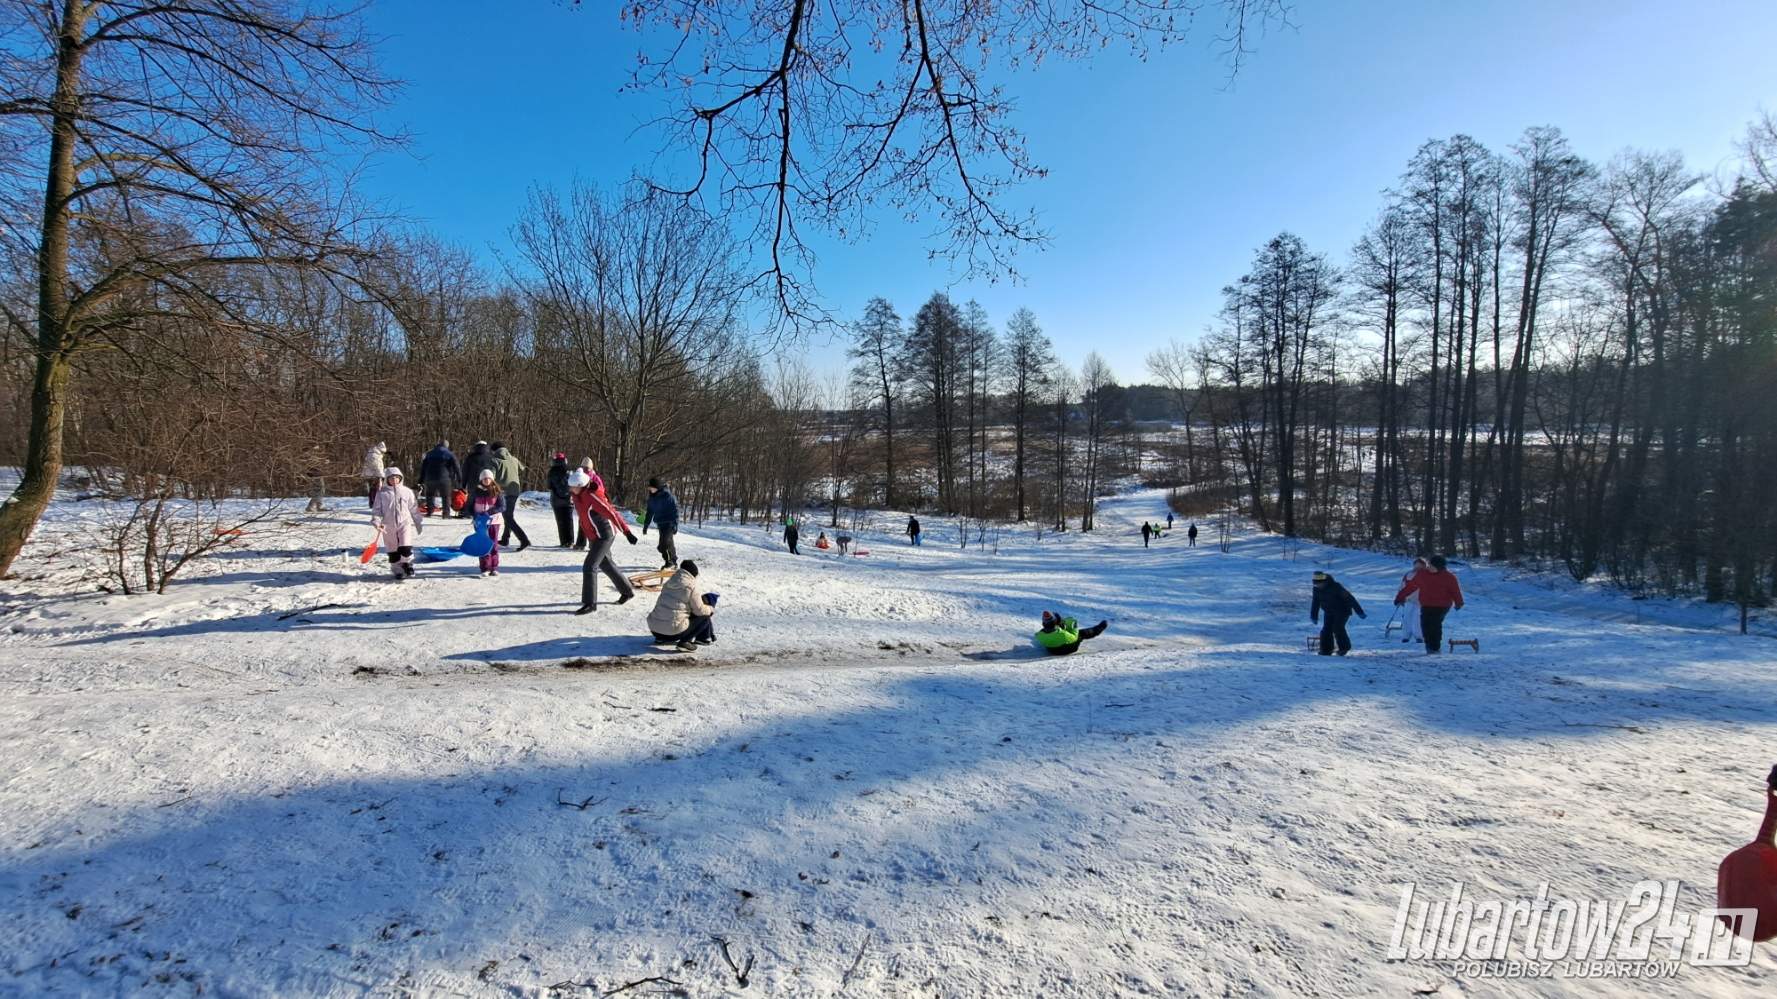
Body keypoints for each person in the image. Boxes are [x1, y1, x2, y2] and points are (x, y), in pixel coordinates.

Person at [569, 468, 638, 613]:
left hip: (605, 535)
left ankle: (590, 604)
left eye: (573, 487)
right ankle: (627, 592)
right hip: (594, 536)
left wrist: (627, 532)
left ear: (581, 486)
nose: (571, 489)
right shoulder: (576, 495)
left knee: (589, 566)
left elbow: (612, 513)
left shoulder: (594, 497)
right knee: (606, 564)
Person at [1395, 554, 1464, 655]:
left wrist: (1459, 602)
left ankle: (1435, 647)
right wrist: (1400, 597)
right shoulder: (1422, 574)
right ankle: (1429, 646)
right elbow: (1410, 586)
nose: (1430, 568)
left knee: (1435, 624)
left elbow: (1455, 591)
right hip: (1426, 604)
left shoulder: (1449, 577)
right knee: (1425, 625)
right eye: (1430, 565)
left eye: (1433, 566)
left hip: (1442, 605)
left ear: (1440, 567)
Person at [647, 559, 716, 652]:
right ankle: (685, 642)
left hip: (655, 629)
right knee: (705, 615)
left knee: (669, 611)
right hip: (673, 633)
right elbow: (699, 610)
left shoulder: (669, 583)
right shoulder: (691, 586)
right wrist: (711, 609)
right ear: (693, 574)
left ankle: (661, 638)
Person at [369, 467, 423, 580]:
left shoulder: (407, 491)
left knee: (405, 547)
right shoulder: (382, 493)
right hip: (388, 526)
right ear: (387, 480)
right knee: (393, 551)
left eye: (396, 478)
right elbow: (376, 510)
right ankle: (397, 570)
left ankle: (407, 565)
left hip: (404, 523)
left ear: (400, 478)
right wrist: (376, 522)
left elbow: (413, 508)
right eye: (391, 478)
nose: (394, 480)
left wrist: (418, 521)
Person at [1310, 571, 1366, 656]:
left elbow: (1350, 598)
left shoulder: (1336, 587)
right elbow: (1315, 602)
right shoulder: (1316, 589)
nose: (1318, 586)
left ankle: (1344, 648)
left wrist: (1359, 611)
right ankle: (1326, 650)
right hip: (1329, 611)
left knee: (1337, 628)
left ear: (1324, 582)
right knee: (1326, 630)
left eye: (1319, 584)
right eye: (1316, 584)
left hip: (1342, 610)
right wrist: (1314, 616)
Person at [465, 469, 506, 577]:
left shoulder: (497, 491)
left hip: (494, 521)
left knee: (493, 544)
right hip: (479, 522)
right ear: (481, 480)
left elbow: (502, 506)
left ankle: (494, 567)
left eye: (488, 478)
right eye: (484, 479)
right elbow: (468, 506)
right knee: (482, 544)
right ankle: (485, 568)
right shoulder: (475, 491)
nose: (486, 480)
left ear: (492, 479)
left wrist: (489, 512)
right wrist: (475, 515)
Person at [494, 445, 531, 550]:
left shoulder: (495, 461)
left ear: (494, 450)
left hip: (503, 491)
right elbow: (522, 468)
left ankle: (524, 540)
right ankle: (505, 539)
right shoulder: (514, 459)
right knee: (508, 515)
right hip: (515, 490)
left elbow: (491, 475)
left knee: (508, 517)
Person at [642, 477, 680, 569]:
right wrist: (646, 525)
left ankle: (670, 563)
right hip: (660, 524)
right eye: (649, 488)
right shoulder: (652, 498)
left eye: (652, 487)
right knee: (665, 545)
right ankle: (673, 561)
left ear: (657, 487)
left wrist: (675, 524)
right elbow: (649, 512)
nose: (650, 489)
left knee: (665, 544)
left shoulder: (668, 496)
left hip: (669, 523)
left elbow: (675, 510)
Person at [1034, 610, 1108, 656]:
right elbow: (1074, 637)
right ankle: (1099, 628)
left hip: (1051, 650)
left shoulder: (1039, 635)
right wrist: (1074, 627)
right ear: (1056, 622)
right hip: (1067, 650)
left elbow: (1052, 631)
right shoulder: (1063, 634)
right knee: (1081, 633)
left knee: (1057, 635)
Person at [419, 440, 461, 518]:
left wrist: (421, 479)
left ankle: (430, 511)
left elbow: (423, 467)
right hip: (444, 478)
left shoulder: (429, 454)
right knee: (446, 496)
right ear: (447, 446)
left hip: (430, 477)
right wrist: (459, 478)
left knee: (430, 495)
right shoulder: (449, 454)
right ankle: (446, 514)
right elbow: (457, 466)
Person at [1397, 557, 1428, 644]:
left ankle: (1419, 636)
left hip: (1421, 601)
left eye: (1420, 565)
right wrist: (1400, 597)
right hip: (1409, 600)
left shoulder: (1427, 575)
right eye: (1416, 565)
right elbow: (1402, 586)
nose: (1418, 567)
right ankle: (1406, 636)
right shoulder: (1408, 574)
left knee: (1417, 619)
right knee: (1406, 619)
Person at [546, 453, 574, 547]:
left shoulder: (551, 472)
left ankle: (563, 542)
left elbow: (549, 486)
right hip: (568, 499)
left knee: (560, 521)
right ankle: (570, 541)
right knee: (569, 520)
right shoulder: (569, 471)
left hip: (556, 500)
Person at [460, 441, 498, 505]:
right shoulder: (491, 458)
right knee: (486, 503)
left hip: (472, 485)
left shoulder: (470, 458)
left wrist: (463, 485)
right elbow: (495, 471)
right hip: (487, 484)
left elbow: (465, 472)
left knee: (472, 503)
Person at [360, 441, 387, 506]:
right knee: (376, 489)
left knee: (372, 489)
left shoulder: (371, 453)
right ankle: (375, 503)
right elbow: (378, 467)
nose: (383, 454)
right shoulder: (376, 456)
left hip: (369, 475)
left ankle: (372, 502)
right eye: (383, 452)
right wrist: (382, 475)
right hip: (374, 475)